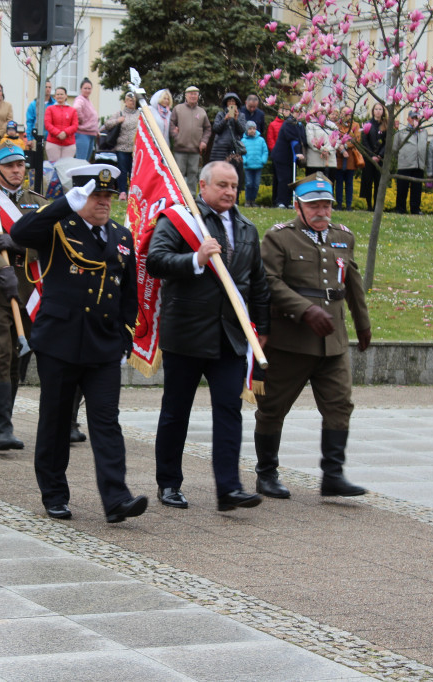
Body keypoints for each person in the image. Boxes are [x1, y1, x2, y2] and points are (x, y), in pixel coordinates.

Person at [10, 164, 147, 524]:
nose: (104, 202)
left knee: (106, 422)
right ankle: (54, 493)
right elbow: (20, 231)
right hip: (60, 342)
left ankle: (116, 498)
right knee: (55, 421)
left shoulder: (120, 235)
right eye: (95, 195)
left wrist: (124, 338)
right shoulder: (57, 228)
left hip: (103, 345)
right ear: (79, 195)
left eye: (108, 195)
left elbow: (128, 293)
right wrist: (62, 204)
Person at [147, 161, 270, 511]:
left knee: (230, 411)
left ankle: (228, 488)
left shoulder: (246, 228)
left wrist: (263, 331)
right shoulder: (179, 219)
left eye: (234, 185)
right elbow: (156, 261)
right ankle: (169, 483)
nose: (230, 191)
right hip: (186, 333)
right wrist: (196, 259)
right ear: (202, 186)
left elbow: (257, 283)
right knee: (176, 412)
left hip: (230, 336)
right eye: (222, 185)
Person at [254, 173, 371, 498]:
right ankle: (266, 474)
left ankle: (333, 475)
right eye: (314, 205)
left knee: (340, 405)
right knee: (273, 407)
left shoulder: (342, 236)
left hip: (332, 341)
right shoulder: (279, 238)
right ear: (298, 206)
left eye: (327, 205)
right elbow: (269, 282)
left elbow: (351, 281)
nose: (322, 211)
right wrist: (305, 310)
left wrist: (362, 323)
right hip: (291, 340)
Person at [0, 144, 48, 450]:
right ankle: (2, 426)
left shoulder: (38, 204)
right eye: (10, 166)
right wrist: (1, 269)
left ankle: (1, 423)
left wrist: (19, 247)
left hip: (28, 290)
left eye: (21, 165)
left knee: (19, 358)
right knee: (1, 355)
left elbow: (49, 242)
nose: (17, 170)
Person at [171, 86, 210, 188]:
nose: (193, 96)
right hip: (180, 148)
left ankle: (192, 196)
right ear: (186, 96)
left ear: (198, 96)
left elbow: (207, 128)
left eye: (195, 94)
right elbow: (171, 124)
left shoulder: (202, 112)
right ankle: (179, 196)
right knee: (179, 173)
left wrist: (204, 141)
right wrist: (176, 136)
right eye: (191, 94)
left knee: (193, 173)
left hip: (195, 149)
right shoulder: (178, 109)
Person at [210, 93, 246, 203]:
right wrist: (225, 119)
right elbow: (216, 128)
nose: (231, 103)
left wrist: (235, 119)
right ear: (226, 103)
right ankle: (217, 196)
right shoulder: (220, 114)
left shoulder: (241, 116)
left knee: (235, 174)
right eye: (229, 101)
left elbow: (242, 131)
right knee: (219, 173)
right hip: (220, 149)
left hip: (234, 149)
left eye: (233, 101)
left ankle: (235, 199)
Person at [102, 92, 139, 200]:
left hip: (135, 149)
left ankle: (133, 192)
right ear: (125, 101)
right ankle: (122, 191)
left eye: (133, 100)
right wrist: (118, 121)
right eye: (129, 100)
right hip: (122, 148)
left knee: (134, 171)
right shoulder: (120, 113)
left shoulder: (139, 114)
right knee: (122, 170)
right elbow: (107, 124)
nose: (132, 102)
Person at [393, 110, 427, 215]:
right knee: (402, 189)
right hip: (405, 165)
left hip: (418, 165)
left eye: (417, 118)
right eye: (413, 118)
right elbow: (395, 148)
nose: (415, 120)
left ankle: (415, 209)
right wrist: (402, 158)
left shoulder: (424, 132)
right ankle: (400, 209)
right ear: (408, 119)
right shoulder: (401, 132)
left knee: (416, 189)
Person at [271, 109, 305, 208]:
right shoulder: (289, 123)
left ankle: (287, 201)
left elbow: (302, 139)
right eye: (298, 112)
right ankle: (280, 201)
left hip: (289, 157)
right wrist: (298, 152)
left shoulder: (299, 125)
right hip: (281, 155)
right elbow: (293, 139)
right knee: (283, 179)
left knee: (290, 178)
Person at [360, 103, 387, 211]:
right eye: (376, 109)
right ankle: (369, 205)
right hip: (369, 159)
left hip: (380, 159)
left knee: (378, 182)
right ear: (373, 111)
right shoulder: (368, 124)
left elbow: (387, 142)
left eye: (380, 109)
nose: (378, 111)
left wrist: (380, 155)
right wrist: (371, 155)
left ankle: (376, 205)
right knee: (368, 182)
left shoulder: (385, 125)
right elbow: (365, 141)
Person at [333, 107, 361, 210]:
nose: (345, 115)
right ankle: (339, 204)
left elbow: (356, 139)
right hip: (339, 157)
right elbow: (334, 137)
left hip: (350, 157)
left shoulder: (355, 125)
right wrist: (340, 147)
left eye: (347, 113)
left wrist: (345, 146)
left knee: (349, 183)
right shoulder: (336, 125)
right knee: (339, 182)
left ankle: (349, 205)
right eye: (343, 112)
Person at [44, 86, 78, 163]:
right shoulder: (50, 109)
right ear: (54, 96)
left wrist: (65, 132)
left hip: (69, 144)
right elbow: (47, 124)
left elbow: (75, 125)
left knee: (66, 167)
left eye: (61, 94)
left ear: (66, 96)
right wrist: (58, 133)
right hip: (53, 143)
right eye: (58, 94)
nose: (60, 96)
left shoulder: (72, 110)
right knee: (54, 166)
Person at [241, 121, 268, 207]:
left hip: (258, 165)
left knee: (256, 184)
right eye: (250, 129)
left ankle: (253, 200)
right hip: (248, 166)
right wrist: (244, 160)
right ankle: (248, 200)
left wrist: (263, 160)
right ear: (246, 130)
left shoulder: (261, 140)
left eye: (253, 128)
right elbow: (241, 152)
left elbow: (265, 151)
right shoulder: (243, 140)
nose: (252, 130)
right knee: (249, 183)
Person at [73, 78, 98, 160]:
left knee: (86, 161)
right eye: (85, 88)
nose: (87, 90)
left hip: (91, 134)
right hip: (82, 134)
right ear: (81, 89)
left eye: (89, 88)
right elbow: (76, 108)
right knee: (81, 161)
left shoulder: (87, 100)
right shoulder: (80, 99)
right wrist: (81, 120)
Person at [25, 79, 54, 149]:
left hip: (50, 139)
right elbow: (29, 122)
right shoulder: (33, 104)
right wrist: (29, 138)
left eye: (49, 87)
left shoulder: (54, 104)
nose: (48, 89)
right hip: (35, 137)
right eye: (46, 87)